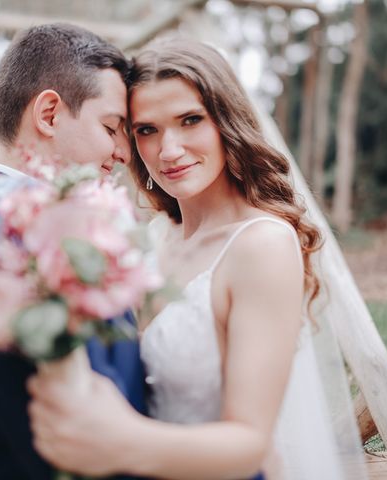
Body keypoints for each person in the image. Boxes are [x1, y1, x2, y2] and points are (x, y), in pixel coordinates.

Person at [28, 39, 368, 479]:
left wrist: (117, 441)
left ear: (226, 122)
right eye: (147, 130)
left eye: (190, 120)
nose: (169, 150)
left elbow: (250, 443)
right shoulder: (152, 237)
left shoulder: (260, 246)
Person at [0, 23, 146, 480]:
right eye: (112, 127)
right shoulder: (0, 245)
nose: (124, 153)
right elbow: (68, 450)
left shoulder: (22, 221)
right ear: (49, 113)